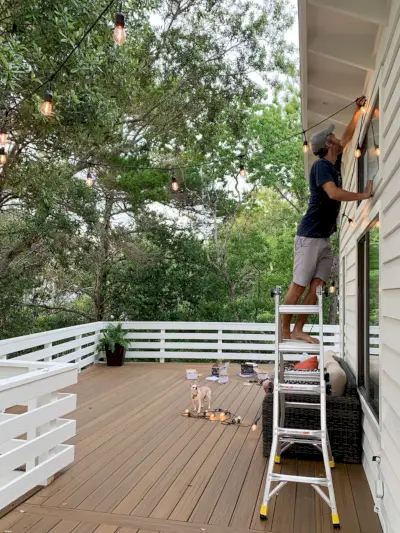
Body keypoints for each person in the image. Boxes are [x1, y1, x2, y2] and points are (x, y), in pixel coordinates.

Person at [282, 97, 373, 344]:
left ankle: (299, 329)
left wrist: (358, 111)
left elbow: (347, 137)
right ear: (327, 144)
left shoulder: (334, 162)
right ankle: (284, 331)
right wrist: (363, 195)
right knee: (299, 285)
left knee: (318, 286)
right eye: (333, 138)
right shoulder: (321, 166)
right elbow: (333, 193)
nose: (337, 139)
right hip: (309, 235)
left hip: (323, 237)